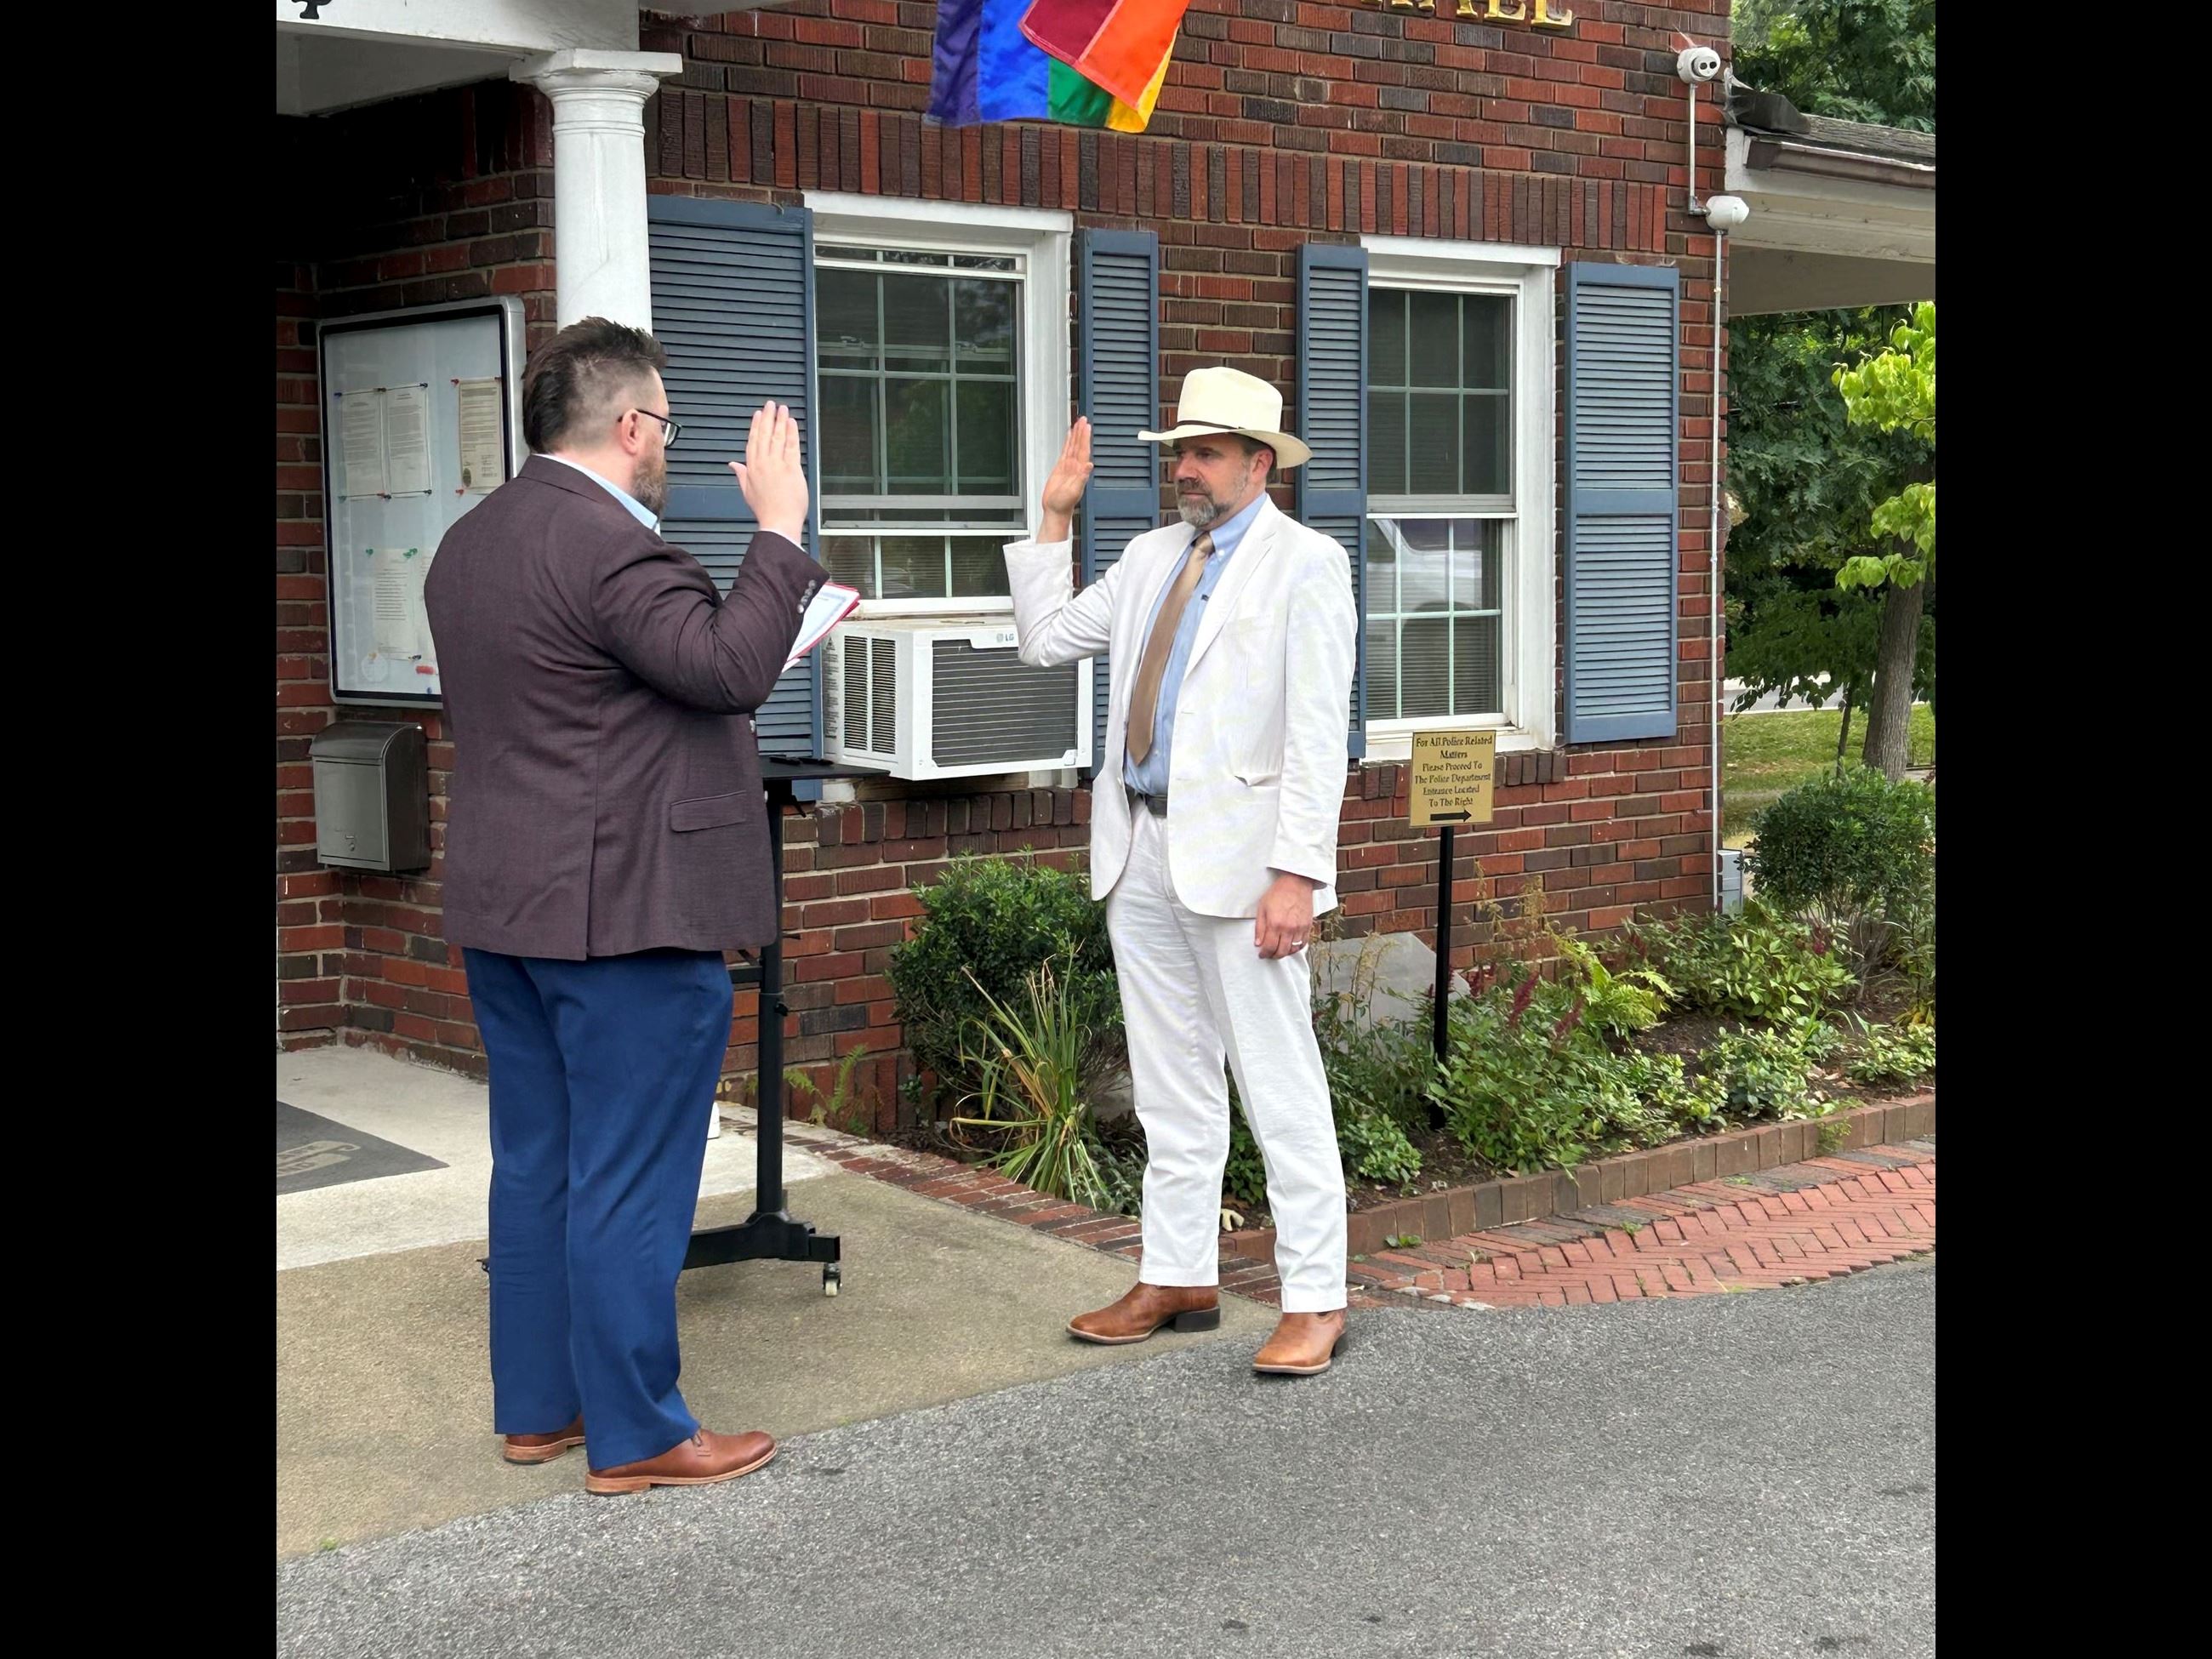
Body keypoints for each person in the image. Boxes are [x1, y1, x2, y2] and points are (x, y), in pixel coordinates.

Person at [423, 316, 822, 1493]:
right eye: (667, 427)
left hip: (508, 902)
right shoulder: (614, 547)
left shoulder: (469, 542)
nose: (666, 449)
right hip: (626, 912)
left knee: (537, 1157)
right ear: (634, 424)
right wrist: (781, 532)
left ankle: (539, 1408)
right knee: (631, 1167)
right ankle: (641, 1430)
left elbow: (588, 700)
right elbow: (726, 669)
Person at [1003, 365, 1358, 1376]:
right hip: (1139, 845)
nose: (1185, 471)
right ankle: (1177, 1271)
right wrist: (1052, 520)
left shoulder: (1306, 565)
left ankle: (1316, 1296)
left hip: (1246, 865)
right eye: (1178, 454)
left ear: (1258, 463)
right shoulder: (1150, 553)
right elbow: (1040, 642)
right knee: (1169, 1084)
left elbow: (1316, 733)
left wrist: (1297, 873)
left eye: (1204, 453)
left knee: (1276, 1080)